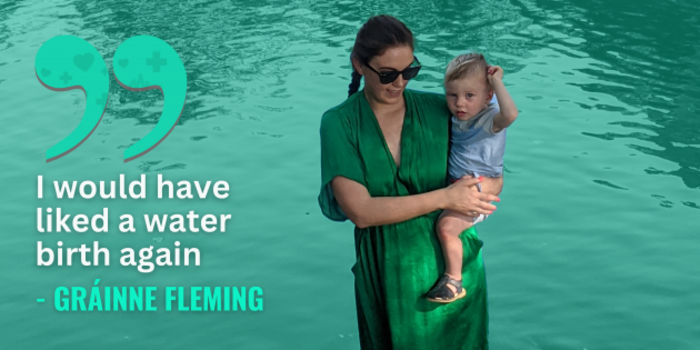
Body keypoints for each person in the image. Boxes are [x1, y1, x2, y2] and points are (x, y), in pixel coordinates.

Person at [318, 15, 500, 350]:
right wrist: (447, 197)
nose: (399, 82)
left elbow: (492, 176)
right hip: (388, 274)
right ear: (359, 65)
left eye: (409, 70)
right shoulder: (339, 124)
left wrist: (478, 192)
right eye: (387, 74)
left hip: (455, 274)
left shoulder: (441, 109)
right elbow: (361, 211)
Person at [426, 53, 519, 303]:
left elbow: (510, 115)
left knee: (445, 229)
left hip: (477, 193)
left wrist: (497, 82)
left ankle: (454, 280)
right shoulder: (457, 117)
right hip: (457, 187)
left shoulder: (489, 119)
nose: (460, 104)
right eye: (452, 95)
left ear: (487, 96)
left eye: (469, 95)